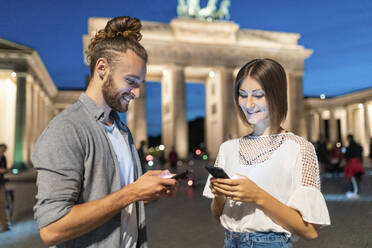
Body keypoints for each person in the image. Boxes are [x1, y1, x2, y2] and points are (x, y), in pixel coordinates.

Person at [32, 16, 178, 248]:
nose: (137, 93)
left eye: (140, 83)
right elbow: (52, 228)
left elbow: (116, 199)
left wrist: (147, 190)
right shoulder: (65, 130)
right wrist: (132, 192)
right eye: (131, 81)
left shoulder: (122, 130)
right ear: (102, 68)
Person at [203, 59, 330, 247]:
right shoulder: (227, 148)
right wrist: (221, 194)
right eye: (242, 95)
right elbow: (218, 214)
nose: (248, 103)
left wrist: (258, 196)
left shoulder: (299, 148)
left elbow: (310, 230)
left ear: (276, 95)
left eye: (258, 95)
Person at [344, 134, 364, 199]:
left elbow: (346, 156)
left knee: (353, 179)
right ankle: (355, 191)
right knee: (356, 178)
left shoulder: (349, 147)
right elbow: (360, 153)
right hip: (358, 163)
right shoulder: (357, 146)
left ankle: (356, 192)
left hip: (352, 164)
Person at [0, 143, 9, 232]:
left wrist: (4, 171)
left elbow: (5, 169)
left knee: (2, 205)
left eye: (4, 151)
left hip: (1, 183)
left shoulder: (4, 158)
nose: (3, 152)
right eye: (2, 150)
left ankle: (5, 225)